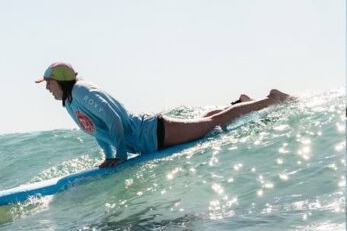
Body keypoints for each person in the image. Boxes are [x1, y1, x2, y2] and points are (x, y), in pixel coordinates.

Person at [36, 62, 293, 167]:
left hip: (154, 133)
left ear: (61, 81)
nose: (47, 89)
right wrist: (108, 157)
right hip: (149, 138)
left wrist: (121, 157)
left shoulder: (81, 91)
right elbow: (98, 130)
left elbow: (113, 119)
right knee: (204, 121)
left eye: (49, 83)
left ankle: (271, 99)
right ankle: (240, 102)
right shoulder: (70, 102)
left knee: (215, 122)